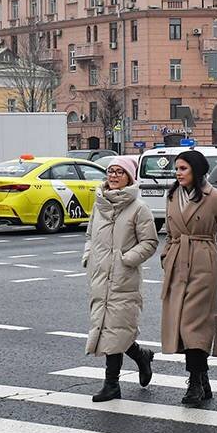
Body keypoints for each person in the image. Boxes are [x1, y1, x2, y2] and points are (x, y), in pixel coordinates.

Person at [159, 150, 217, 407]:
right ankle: (203, 379)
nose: (178, 173)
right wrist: (165, 256)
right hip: (176, 264)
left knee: (194, 325)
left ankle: (194, 382)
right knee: (181, 325)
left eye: (183, 168)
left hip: (204, 263)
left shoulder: (215, 197)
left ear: (196, 170)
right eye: (177, 169)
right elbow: (170, 232)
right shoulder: (172, 194)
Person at [82, 156, 158, 402]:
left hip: (124, 277)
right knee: (109, 328)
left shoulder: (139, 208)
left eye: (119, 172)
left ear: (129, 178)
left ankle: (111, 385)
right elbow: (89, 235)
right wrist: (88, 256)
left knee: (115, 329)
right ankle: (141, 356)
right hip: (100, 274)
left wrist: (127, 259)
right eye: (110, 171)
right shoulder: (99, 204)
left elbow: (150, 242)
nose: (113, 176)